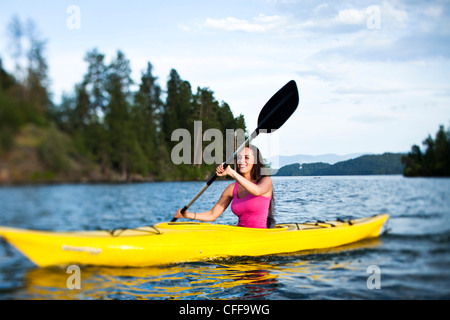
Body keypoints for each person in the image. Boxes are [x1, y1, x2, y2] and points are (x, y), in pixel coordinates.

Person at [174, 144, 276, 228]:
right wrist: (188, 215)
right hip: (240, 233)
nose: (241, 161)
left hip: (260, 236)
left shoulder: (265, 181)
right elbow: (212, 214)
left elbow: (257, 191)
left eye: (246, 157)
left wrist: (231, 172)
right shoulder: (232, 188)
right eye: (239, 157)